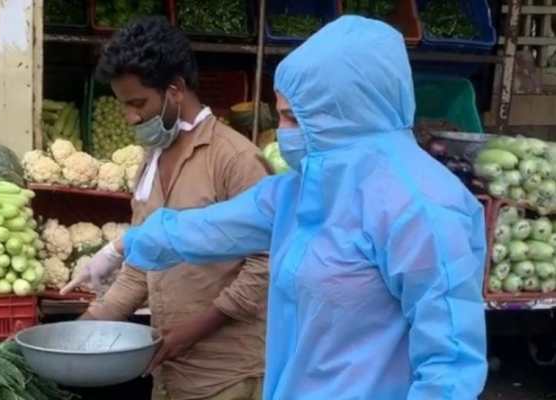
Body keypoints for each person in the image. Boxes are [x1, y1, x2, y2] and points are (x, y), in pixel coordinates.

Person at [68, 16, 489, 400]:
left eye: (292, 118)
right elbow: (212, 227)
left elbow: (449, 366)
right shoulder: (305, 190)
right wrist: (125, 247)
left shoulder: (425, 209)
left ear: (345, 114)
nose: (282, 133)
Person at [62, 17, 270, 400]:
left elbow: (265, 264)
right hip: (169, 373)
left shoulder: (235, 158)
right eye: (123, 105)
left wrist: (193, 331)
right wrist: (75, 334)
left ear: (175, 90)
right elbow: (141, 267)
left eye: (138, 103)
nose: (130, 117)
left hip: (228, 377)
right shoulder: (151, 161)